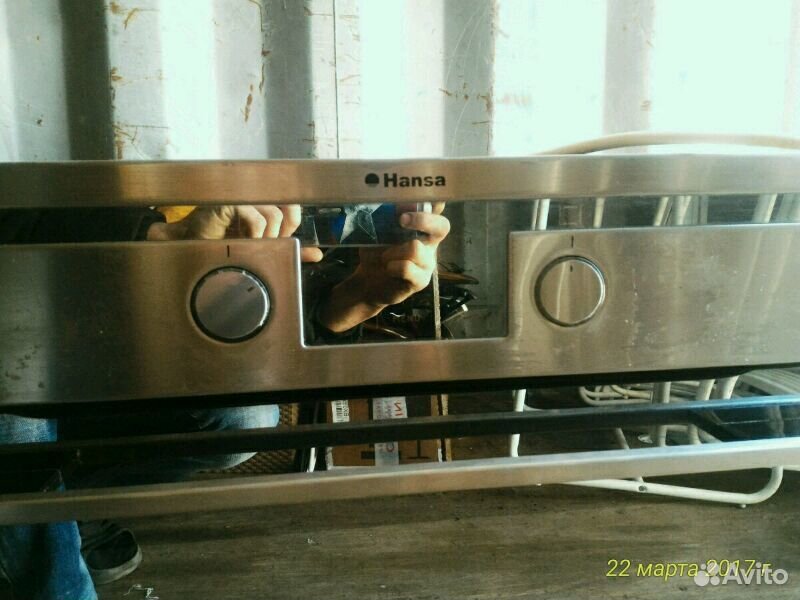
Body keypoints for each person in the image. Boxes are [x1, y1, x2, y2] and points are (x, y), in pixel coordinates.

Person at [0, 202, 449, 600]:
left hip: (126, 341)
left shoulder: (312, 178)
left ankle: (67, 505)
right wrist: (159, 240)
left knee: (245, 419)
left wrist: (352, 301)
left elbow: (265, 339)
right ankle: (50, 535)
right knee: (19, 415)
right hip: (22, 322)